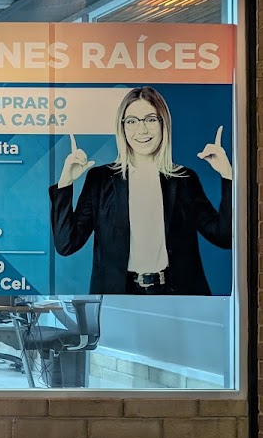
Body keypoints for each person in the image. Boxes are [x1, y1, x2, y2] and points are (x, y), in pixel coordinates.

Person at [49, 86, 231, 295]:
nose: (142, 130)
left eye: (150, 119)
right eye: (132, 121)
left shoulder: (184, 180)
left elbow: (223, 237)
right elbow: (66, 244)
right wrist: (65, 182)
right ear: (122, 127)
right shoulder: (100, 180)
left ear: (163, 124)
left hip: (177, 296)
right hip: (118, 296)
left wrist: (227, 175)